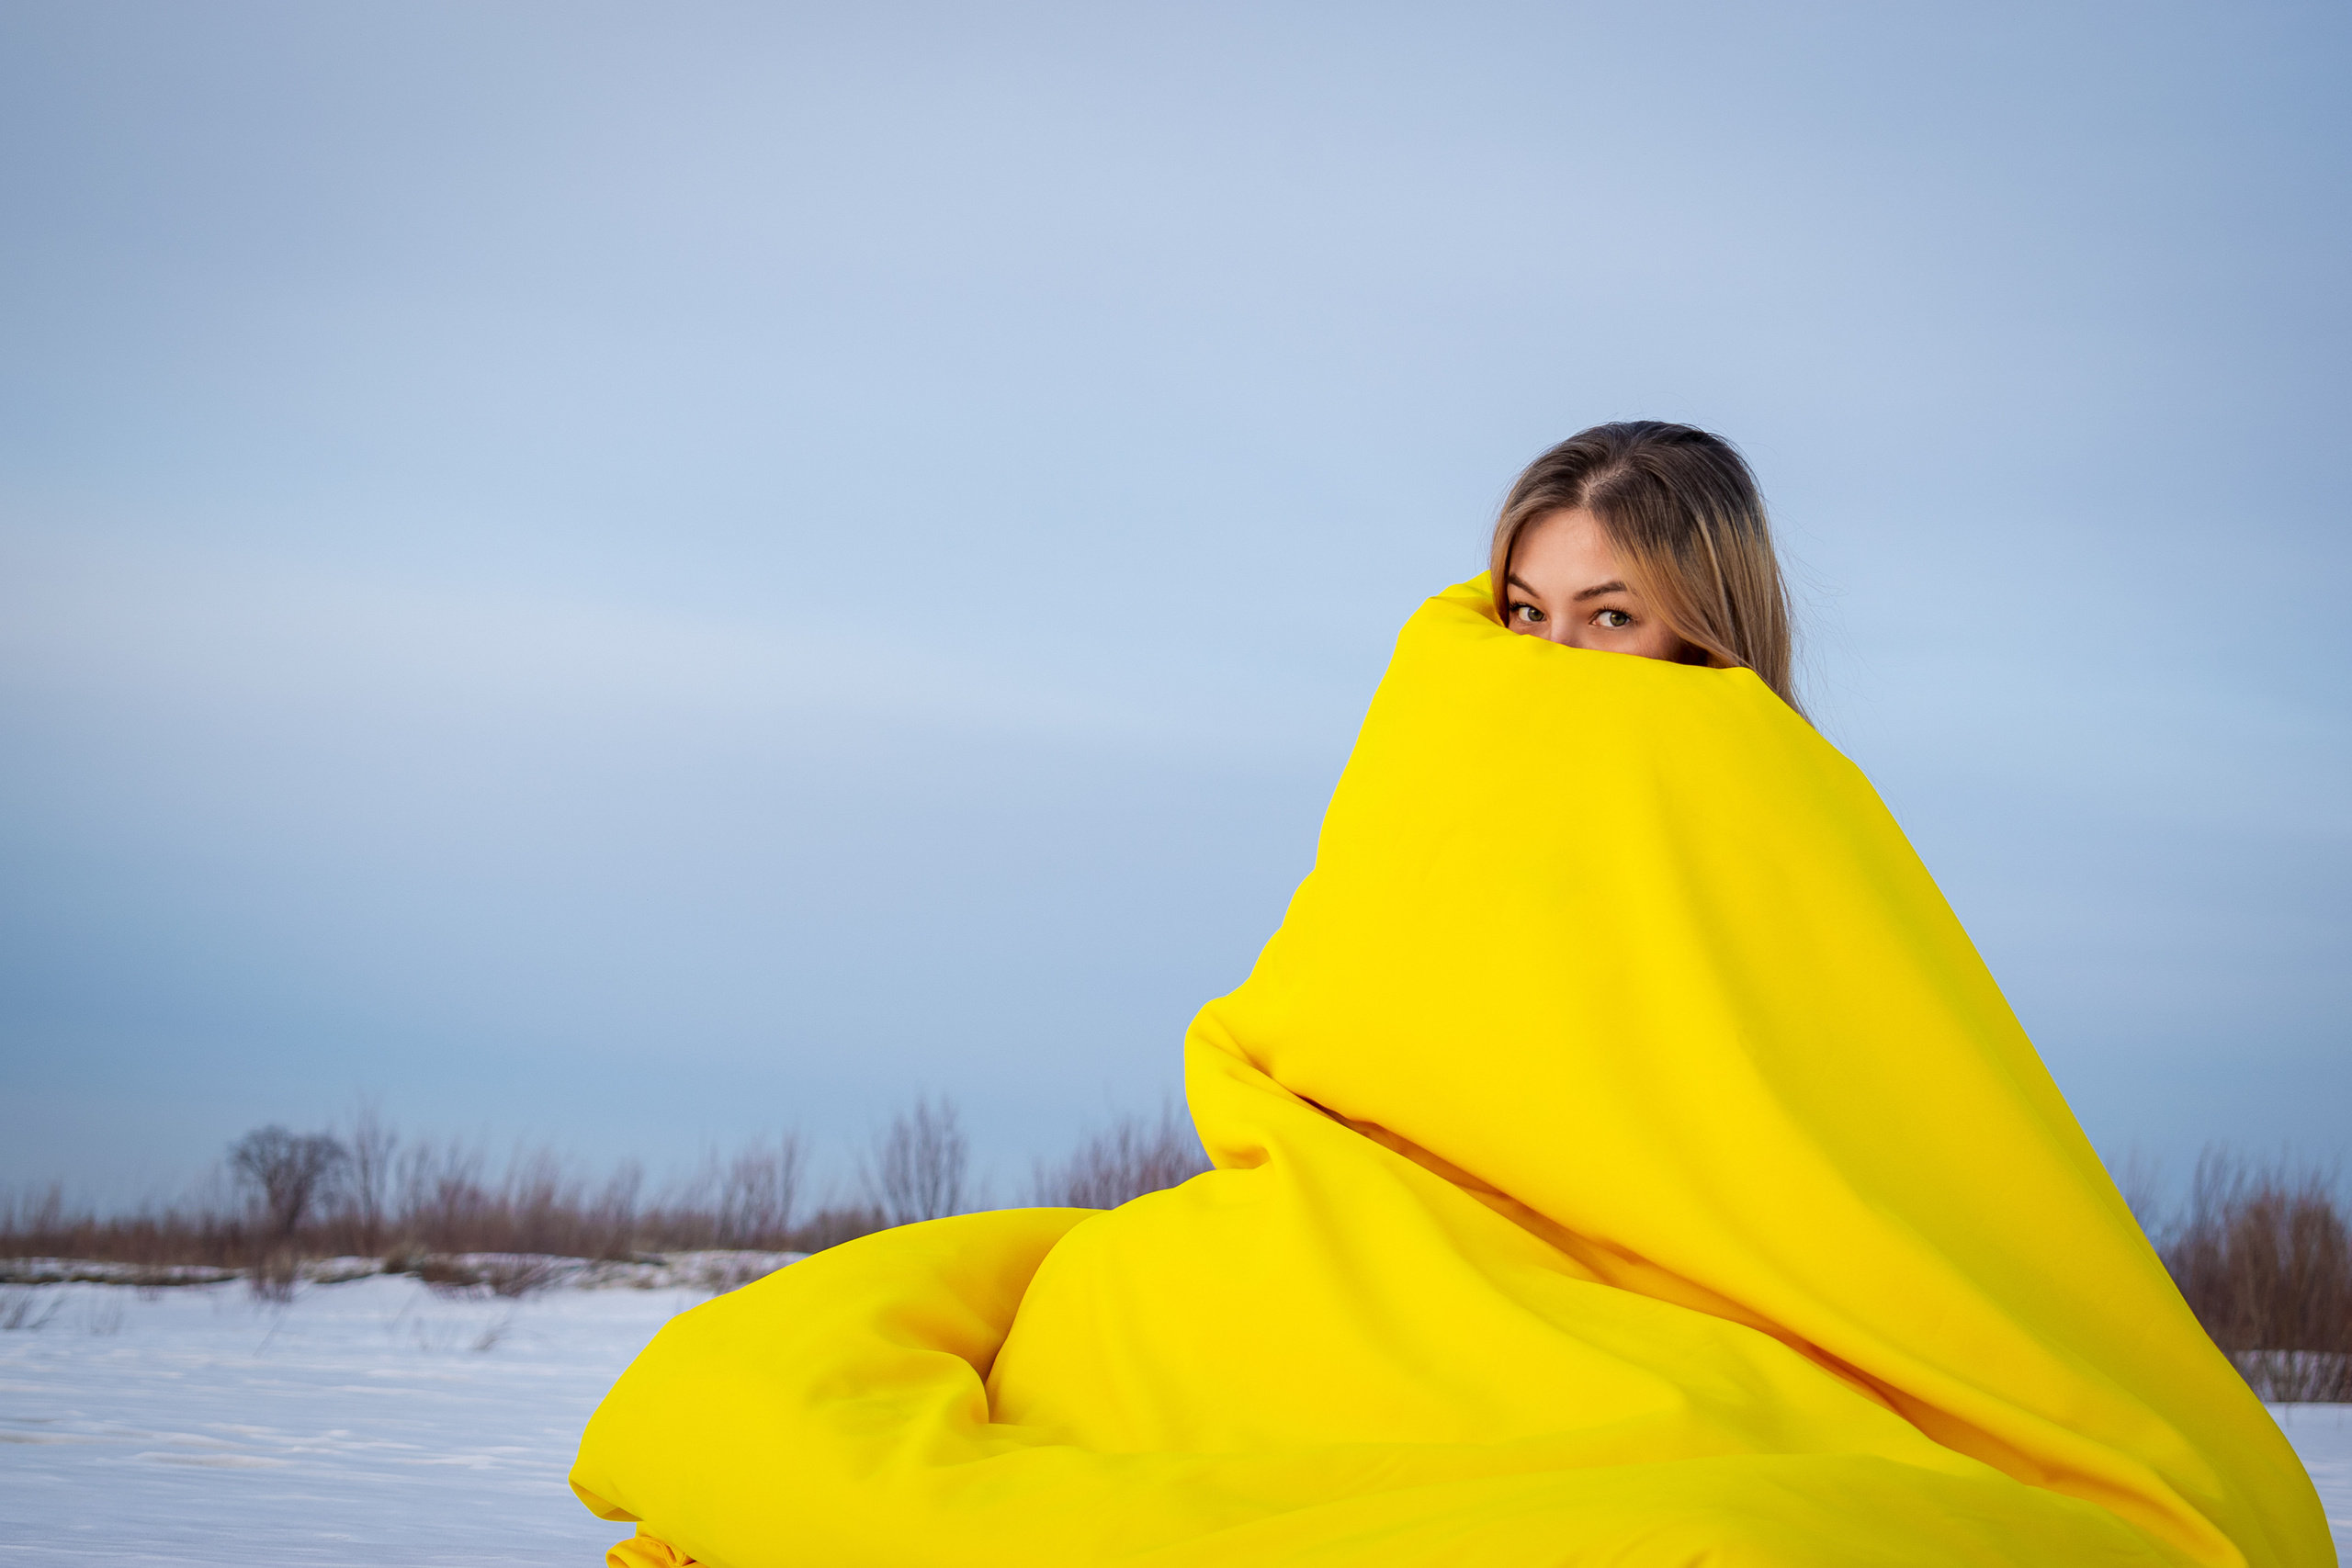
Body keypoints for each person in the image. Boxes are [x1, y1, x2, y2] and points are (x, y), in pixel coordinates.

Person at [571, 424, 2328, 1568]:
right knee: (1035, 1339)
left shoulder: (1763, 814)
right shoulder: (1460, 752)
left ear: (1705, 631)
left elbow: (1853, 1135)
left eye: (1612, 617)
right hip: (1352, 1227)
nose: (1552, 661)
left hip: (1625, 1304)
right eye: (1527, 610)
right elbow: (1336, 1021)